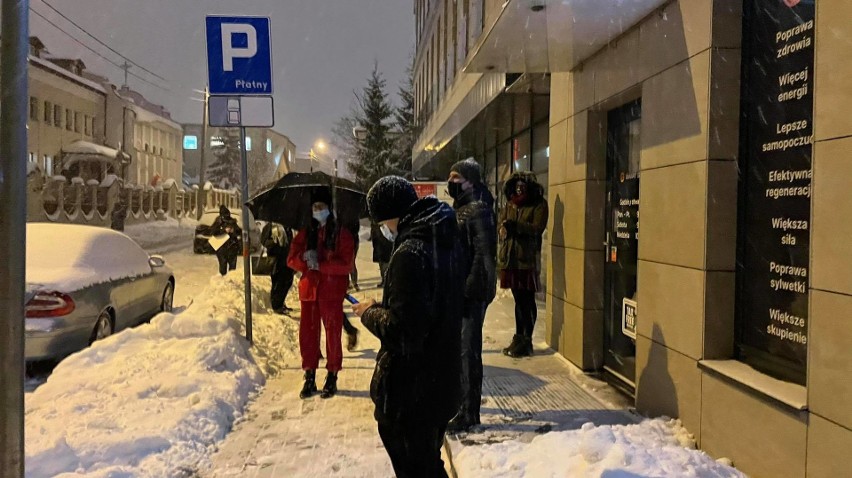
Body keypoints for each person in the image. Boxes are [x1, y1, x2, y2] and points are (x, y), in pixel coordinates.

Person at [352, 176, 464, 477]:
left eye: (380, 222)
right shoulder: (442, 238)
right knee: (428, 463)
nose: (382, 229)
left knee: (417, 468)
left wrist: (370, 312)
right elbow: (431, 309)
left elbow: (404, 333)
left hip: (413, 393)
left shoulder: (410, 253)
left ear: (389, 215)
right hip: (441, 381)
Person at [287, 188, 354, 399]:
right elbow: (291, 259)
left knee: (332, 334)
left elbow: (346, 265)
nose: (318, 211)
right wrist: (304, 260)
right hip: (309, 291)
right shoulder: (306, 233)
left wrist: (321, 265)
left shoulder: (341, 233)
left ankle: (332, 374)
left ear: (329, 209)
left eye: (321, 207)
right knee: (308, 336)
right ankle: (309, 375)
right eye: (315, 207)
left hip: (331, 291)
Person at [445, 158, 497, 432]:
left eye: (457, 178)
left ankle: (469, 411)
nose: (451, 183)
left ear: (470, 181)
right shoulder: (463, 207)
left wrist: (471, 289)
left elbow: (484, 256)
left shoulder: (478, 209)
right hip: (462, 291)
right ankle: (463, 405)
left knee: (468, 352)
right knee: (461, 350)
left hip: (471, 293)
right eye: (450, 177)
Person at [497, 172, 548, 357]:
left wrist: (516, 226)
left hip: (526, 260)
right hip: (511, 259)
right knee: (518, 301)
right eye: (516, 186)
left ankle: (527, 340)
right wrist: (503, 227)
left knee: (527, 301)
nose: (519, 189)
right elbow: (501, 223)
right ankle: (518, 337)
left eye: (522, 187)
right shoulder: (510, 203)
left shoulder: (538, 204)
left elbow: (537, 229)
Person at [261, 222, 295, 314]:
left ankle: (281, 303)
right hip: (276, 260)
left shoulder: (288, 227)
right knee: (278, 283)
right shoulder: (271, 226)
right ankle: (276, 306)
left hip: (287, 260)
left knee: (287, 282)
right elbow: (264, 241)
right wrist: (274, 243)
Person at [211, 205, 242, 276]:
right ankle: (224, 281)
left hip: (232, 247)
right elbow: (213, 231)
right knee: (223, 268)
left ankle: (230, 282)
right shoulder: (218, 222)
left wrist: (233, 231)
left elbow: (239, 232)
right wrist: (223, 230)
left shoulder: (232, 222)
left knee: (232, 269)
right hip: (222, 247)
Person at [370, 221, 393, 287]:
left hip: (385, 244)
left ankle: (386, 280)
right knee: (382, 263)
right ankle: (384, 280)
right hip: (379, 243)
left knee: (385, 262)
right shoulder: (375, 226)